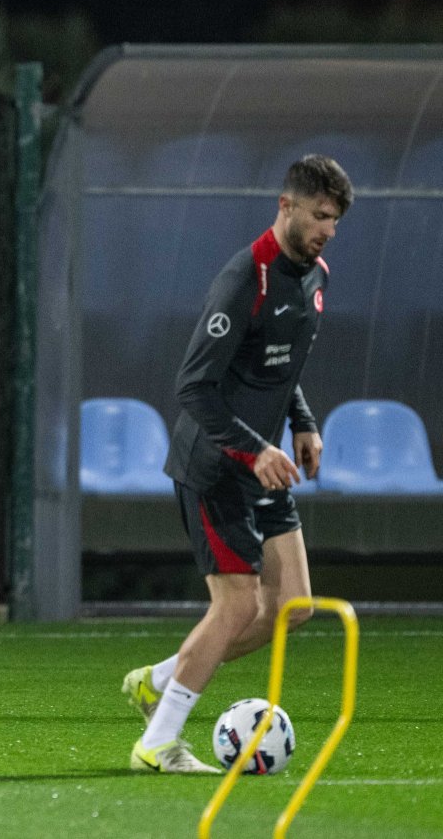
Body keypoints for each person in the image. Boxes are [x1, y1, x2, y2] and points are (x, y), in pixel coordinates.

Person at [124, 154, 353, 773]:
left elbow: (282, 369)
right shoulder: (243, 279)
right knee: (237, 608)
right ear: (285, 206)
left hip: (265, 464)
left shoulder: (314, 277)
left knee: (296, 607)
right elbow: (193, 388)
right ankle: (158, 742)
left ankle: (162, 679)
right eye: (319, 216)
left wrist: (302, 422)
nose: (327, 229)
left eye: (334, 220)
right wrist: (256, 449)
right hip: (217, 466)